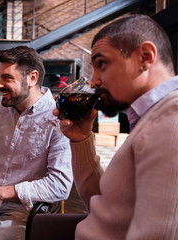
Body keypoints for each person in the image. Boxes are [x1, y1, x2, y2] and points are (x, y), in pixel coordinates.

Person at [54, 14, 178, 239]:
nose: (94, 81)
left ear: (145, 57)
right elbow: (106, 205)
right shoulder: (150, 118)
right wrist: (81, 139)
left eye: (102, 64)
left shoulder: (170, 119)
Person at [0, 46, 73, 239]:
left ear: (32, 78)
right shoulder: (1, 108)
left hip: (27, 208)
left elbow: (60, 185)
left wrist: (2, 193)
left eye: (7, 78)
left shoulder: (58, 118)